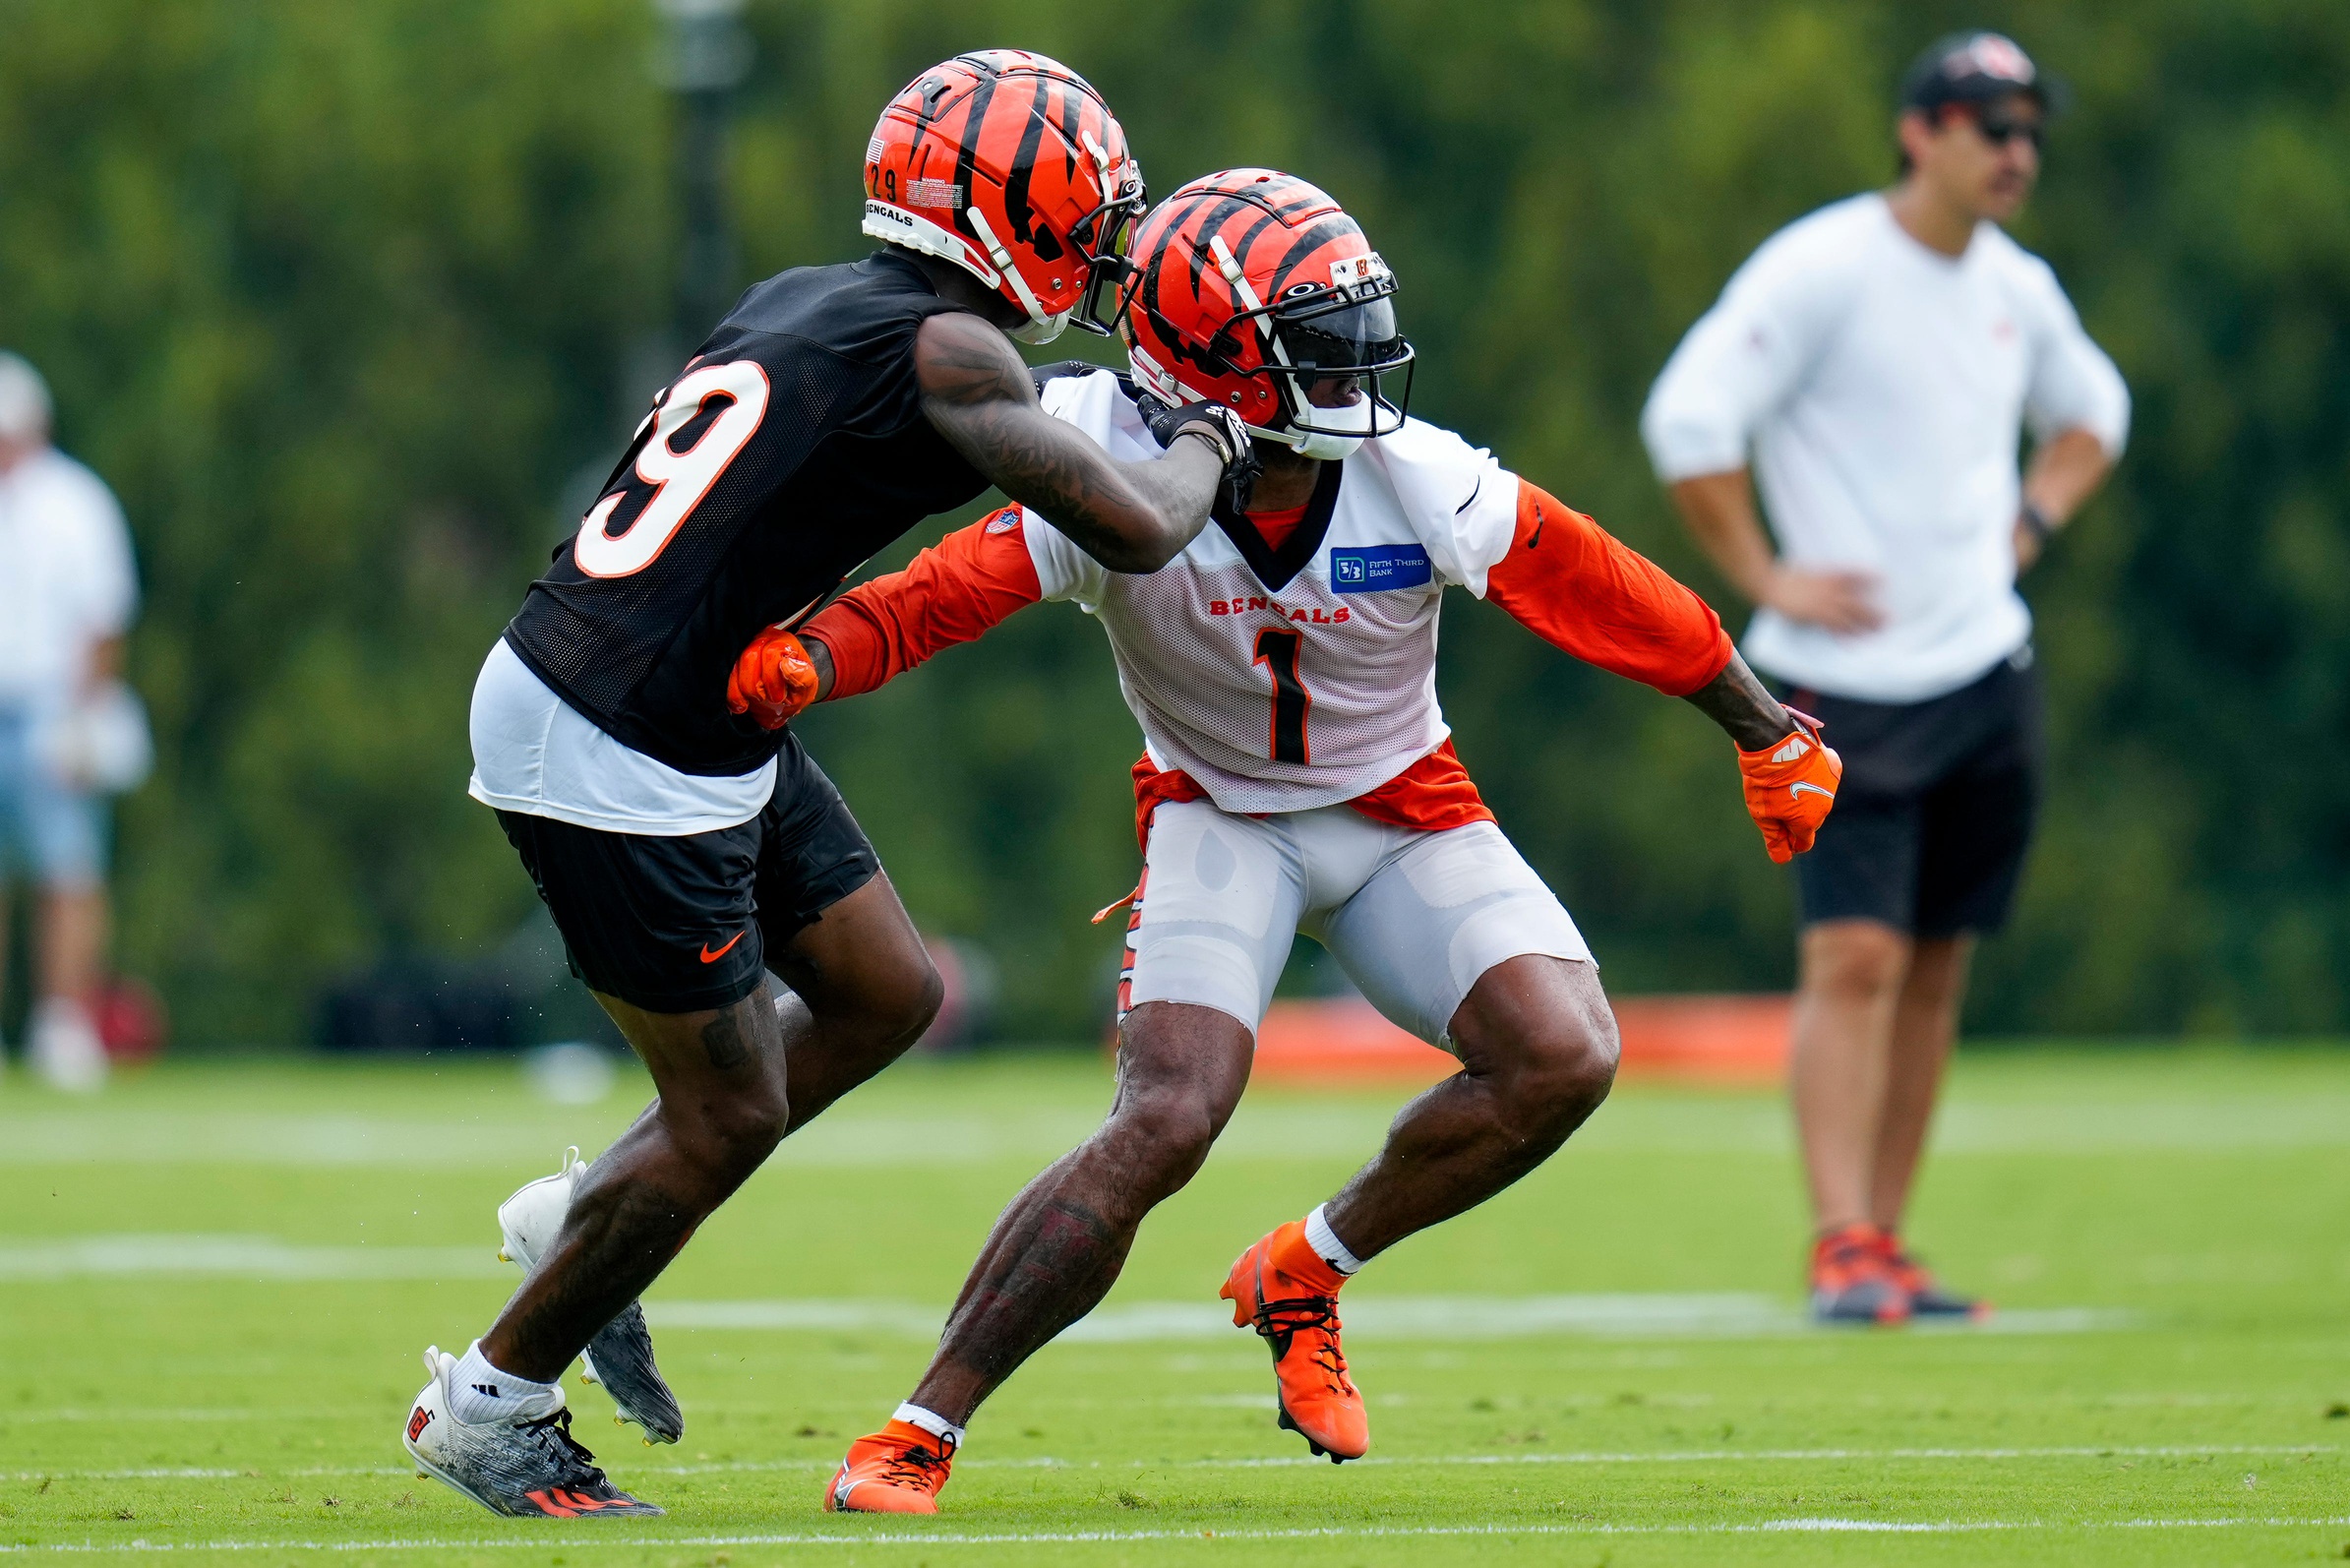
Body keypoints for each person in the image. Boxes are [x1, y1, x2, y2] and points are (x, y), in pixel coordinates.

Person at [721, 168, 1842, 1513]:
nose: (1358, 363)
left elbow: (1599, 587)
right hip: (1215, 816)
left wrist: (1766, 727)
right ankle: (923, 1424)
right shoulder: (1107, 457)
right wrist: (814, 656)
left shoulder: (1414, 478)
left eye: (1357, 323)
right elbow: (942, 594)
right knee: (1166, 1117)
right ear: (1203, 358)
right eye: (1315, 338)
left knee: (1563, 1054)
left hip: (1403, 812)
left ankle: (1307, 1266)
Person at [400, 50, 1260, 1520]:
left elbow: (984, 410)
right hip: (615, 728)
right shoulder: (946, 355)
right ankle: (490, 1401)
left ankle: (582, 1217)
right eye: (1090, 212)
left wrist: (1135, 399)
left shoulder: (819, 299)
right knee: (724, 1112)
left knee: (885, 991)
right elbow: (1136, 528)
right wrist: (1210, 426)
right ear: (1018, 211)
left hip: (677, 697)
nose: (1106, 245)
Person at [1640, 31, 2129, 1324]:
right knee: (1851, 953)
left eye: (2029, 130)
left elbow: (2096, 414)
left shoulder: (2015, 288)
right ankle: (1839, 1237)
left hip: (1981, 670)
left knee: (1934, 964)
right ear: (1920, 132)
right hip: (1837, 682)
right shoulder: (1823, 267)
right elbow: (1687, 418)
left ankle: (1889, 1239)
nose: (2014, 152)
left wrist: (2026, 529)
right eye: (1989, 125)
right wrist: (1767, 572)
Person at [0, 352, 140, 1094]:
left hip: (51, 705)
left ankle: (61, 1021)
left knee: (66, 872)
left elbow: (102, 620)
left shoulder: (74, 502)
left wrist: (85, 715)